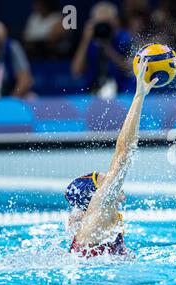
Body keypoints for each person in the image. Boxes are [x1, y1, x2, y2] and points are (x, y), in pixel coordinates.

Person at [65, 58, 158, 258]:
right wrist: (139, 95)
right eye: (104, 178)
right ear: (96, 196)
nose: (110, 177)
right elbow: (124, 152)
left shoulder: (99, 226)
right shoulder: (97, 214)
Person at [71, 1, 133, 97]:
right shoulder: (89, 42)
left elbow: (131, 69)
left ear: (115, 21)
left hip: (122, 93)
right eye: (100, 23)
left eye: (107, 22)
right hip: (92, 93)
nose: (103, 28)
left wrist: (108, 49)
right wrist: (85, 39)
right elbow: (76, 71)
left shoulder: (124, 38)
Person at [0, 21, 33, 99]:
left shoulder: (12, 47)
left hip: (10, 95)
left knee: (31, 97)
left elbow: (25, 80)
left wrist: (11, 101)